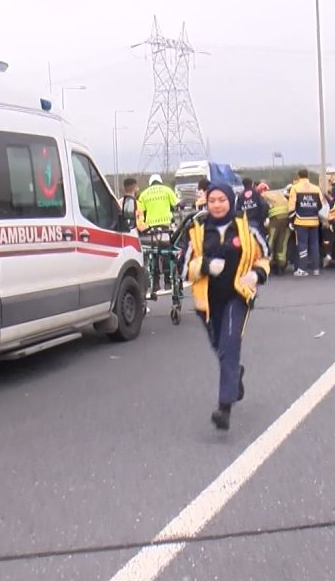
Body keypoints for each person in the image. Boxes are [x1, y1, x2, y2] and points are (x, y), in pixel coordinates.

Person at [186, 183, 270, 431]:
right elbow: (184, 267)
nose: (217, 204)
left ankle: (224, 407)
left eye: (222, 199)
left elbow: (265, 256)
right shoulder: (198, 231)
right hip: (208, 303)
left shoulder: (247, 229)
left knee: (230, 344)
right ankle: (236, 375)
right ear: (207, 203)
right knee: (221, 348)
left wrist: (256, 275)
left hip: (237, 296)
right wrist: (205, 265)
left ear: (230, 201)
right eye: (212, 200)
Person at [138, 174, 179, 294]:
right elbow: (176, 205)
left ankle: (155, 282)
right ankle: (167, 280)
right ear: (160, 182)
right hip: (166, 227)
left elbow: (141, 213)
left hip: (151, 229)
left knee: (154, 253)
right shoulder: (167, 190)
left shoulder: (144, 194)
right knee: (166, 252)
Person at [287, 169, 324, 277]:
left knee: (302, 245)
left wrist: (291, 220)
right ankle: (316, 269)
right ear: (308, 176)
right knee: (314, 245)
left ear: (299, 177)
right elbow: (321, 205)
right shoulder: (316, 189)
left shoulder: (295, 188)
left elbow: (291, 206)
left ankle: (302, 269)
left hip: (300, 221)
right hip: (314, 221)